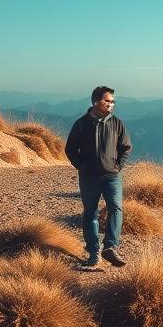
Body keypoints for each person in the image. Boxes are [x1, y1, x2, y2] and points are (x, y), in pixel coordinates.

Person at [64, 85, 132, 269]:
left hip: (112, 176)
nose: (111, 104)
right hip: (89, 177)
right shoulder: (81, 123)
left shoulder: (117, 123)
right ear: (96, 102)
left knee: (116, 209)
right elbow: (70, 149)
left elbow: (126, 147)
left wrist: (117, 167)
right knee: (90, 213)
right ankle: (94, 253)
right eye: (107, 101)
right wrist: (82, 166)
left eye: (113, 101)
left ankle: (110, 247)